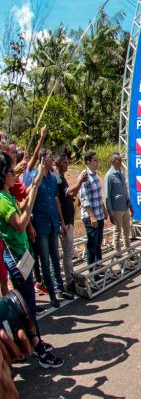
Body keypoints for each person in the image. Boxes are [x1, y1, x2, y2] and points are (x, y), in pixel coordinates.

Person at [0, 152, 63, 368]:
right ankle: (41, 352)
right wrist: (29, 209)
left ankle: (37, 344)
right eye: (11, 171)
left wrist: (34, 185)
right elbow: (19, 222)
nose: (14, 174)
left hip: (21, 255)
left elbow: (25, 201)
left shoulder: (8, 195)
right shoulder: (1, 200)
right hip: (17, 259)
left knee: (30, 306)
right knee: (29, 307)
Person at [30, 150, 72, 307]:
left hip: (53, 223)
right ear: (42, 159)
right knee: (45, 261)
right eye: (49, 156)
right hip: (41, 225)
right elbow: (30, 200)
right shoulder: (35, 177)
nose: (52, 159)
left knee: (56, 258)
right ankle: (52, 294)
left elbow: (56, 201)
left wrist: (61, 222)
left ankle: (60, 288)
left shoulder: (53, 179)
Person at [79, 150, 110, 269]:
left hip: (99, 214)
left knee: (98, 243)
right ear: (88, 162)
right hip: (90, 216)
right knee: (92, 244)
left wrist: (104, 210)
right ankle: (91, 270)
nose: (97, 163)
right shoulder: (84, 176)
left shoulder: (95, 175)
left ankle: (98, 267)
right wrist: (92, 216)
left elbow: (98, 196)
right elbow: (84, 198)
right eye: (95, 160)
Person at [55, 155, 80, 293]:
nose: (67, 164)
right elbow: (67, 193)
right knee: (68, 252)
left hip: (68, 220)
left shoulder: (62, 178)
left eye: (67, 162)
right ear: (58, 164)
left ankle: (70, 276)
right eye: (63, 162)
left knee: (69, 251)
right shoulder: (58, 179)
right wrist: (80, 181)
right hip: (64, 222)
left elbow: (68, 194)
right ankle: (69, 281)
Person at [104, 151, 134, 254]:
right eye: (119, 160)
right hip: (116, 209)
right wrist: (110, 213)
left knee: (127, 231)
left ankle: (129, 252)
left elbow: (125, 191)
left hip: (125, 207)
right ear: (113, 161)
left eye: (121, 159)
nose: (121, 161)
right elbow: (107, 196)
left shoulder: (121, 173)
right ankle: (118, 254)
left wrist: (130, 205)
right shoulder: (109, 176)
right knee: (117, 232)